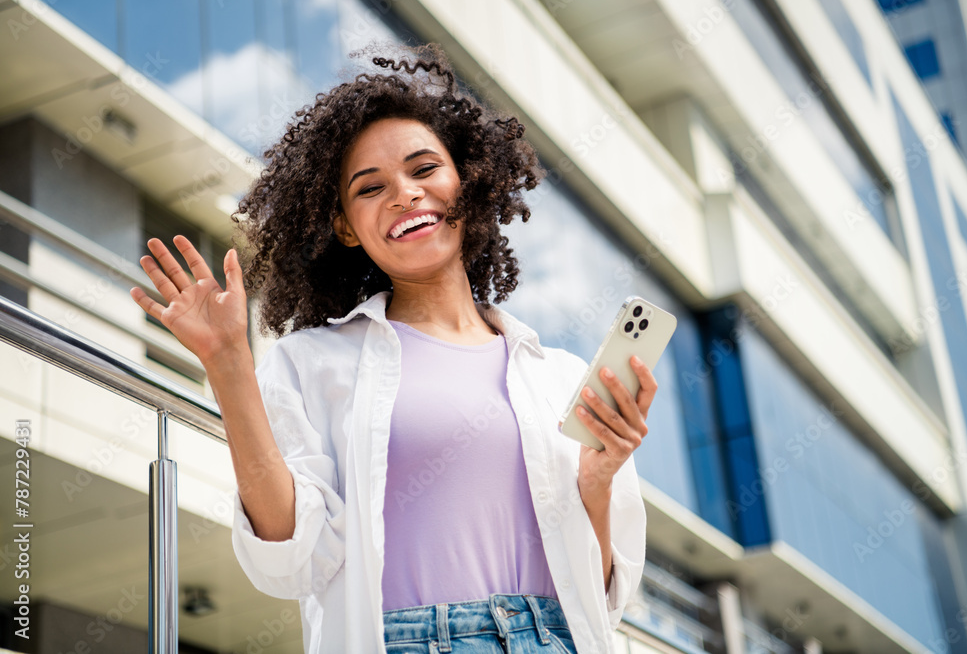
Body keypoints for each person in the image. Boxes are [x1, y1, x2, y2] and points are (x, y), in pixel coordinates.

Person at [130, 43, 654, 654]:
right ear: (347, 227)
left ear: (468, 179)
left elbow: (602, 600)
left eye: (424, 169)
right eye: (370, 187)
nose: (404, 194)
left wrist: (595, 481)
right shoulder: (312, 363)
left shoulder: (560, 377)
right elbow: (289, 559)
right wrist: (228, 366)